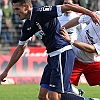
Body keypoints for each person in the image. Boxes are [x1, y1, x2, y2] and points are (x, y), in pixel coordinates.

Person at [0, 0, 100, 100]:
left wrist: (90, 14)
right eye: (14, 9)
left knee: (54, 96)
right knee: (43, 96)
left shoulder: (42, 12)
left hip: (62, 53)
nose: (15, 13)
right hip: (52, 57)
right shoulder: (27, 26)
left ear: (26, 7)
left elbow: (67, 6)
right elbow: (19, 49)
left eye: (17, 9)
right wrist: (6, 71)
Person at [60, 11, 100, 99]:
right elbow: (78, 19)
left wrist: (71, 40)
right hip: (75, 59)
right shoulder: (97, 15)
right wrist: (62, 28)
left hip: (93, 63)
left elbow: (92, 49)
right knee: (59, 89)